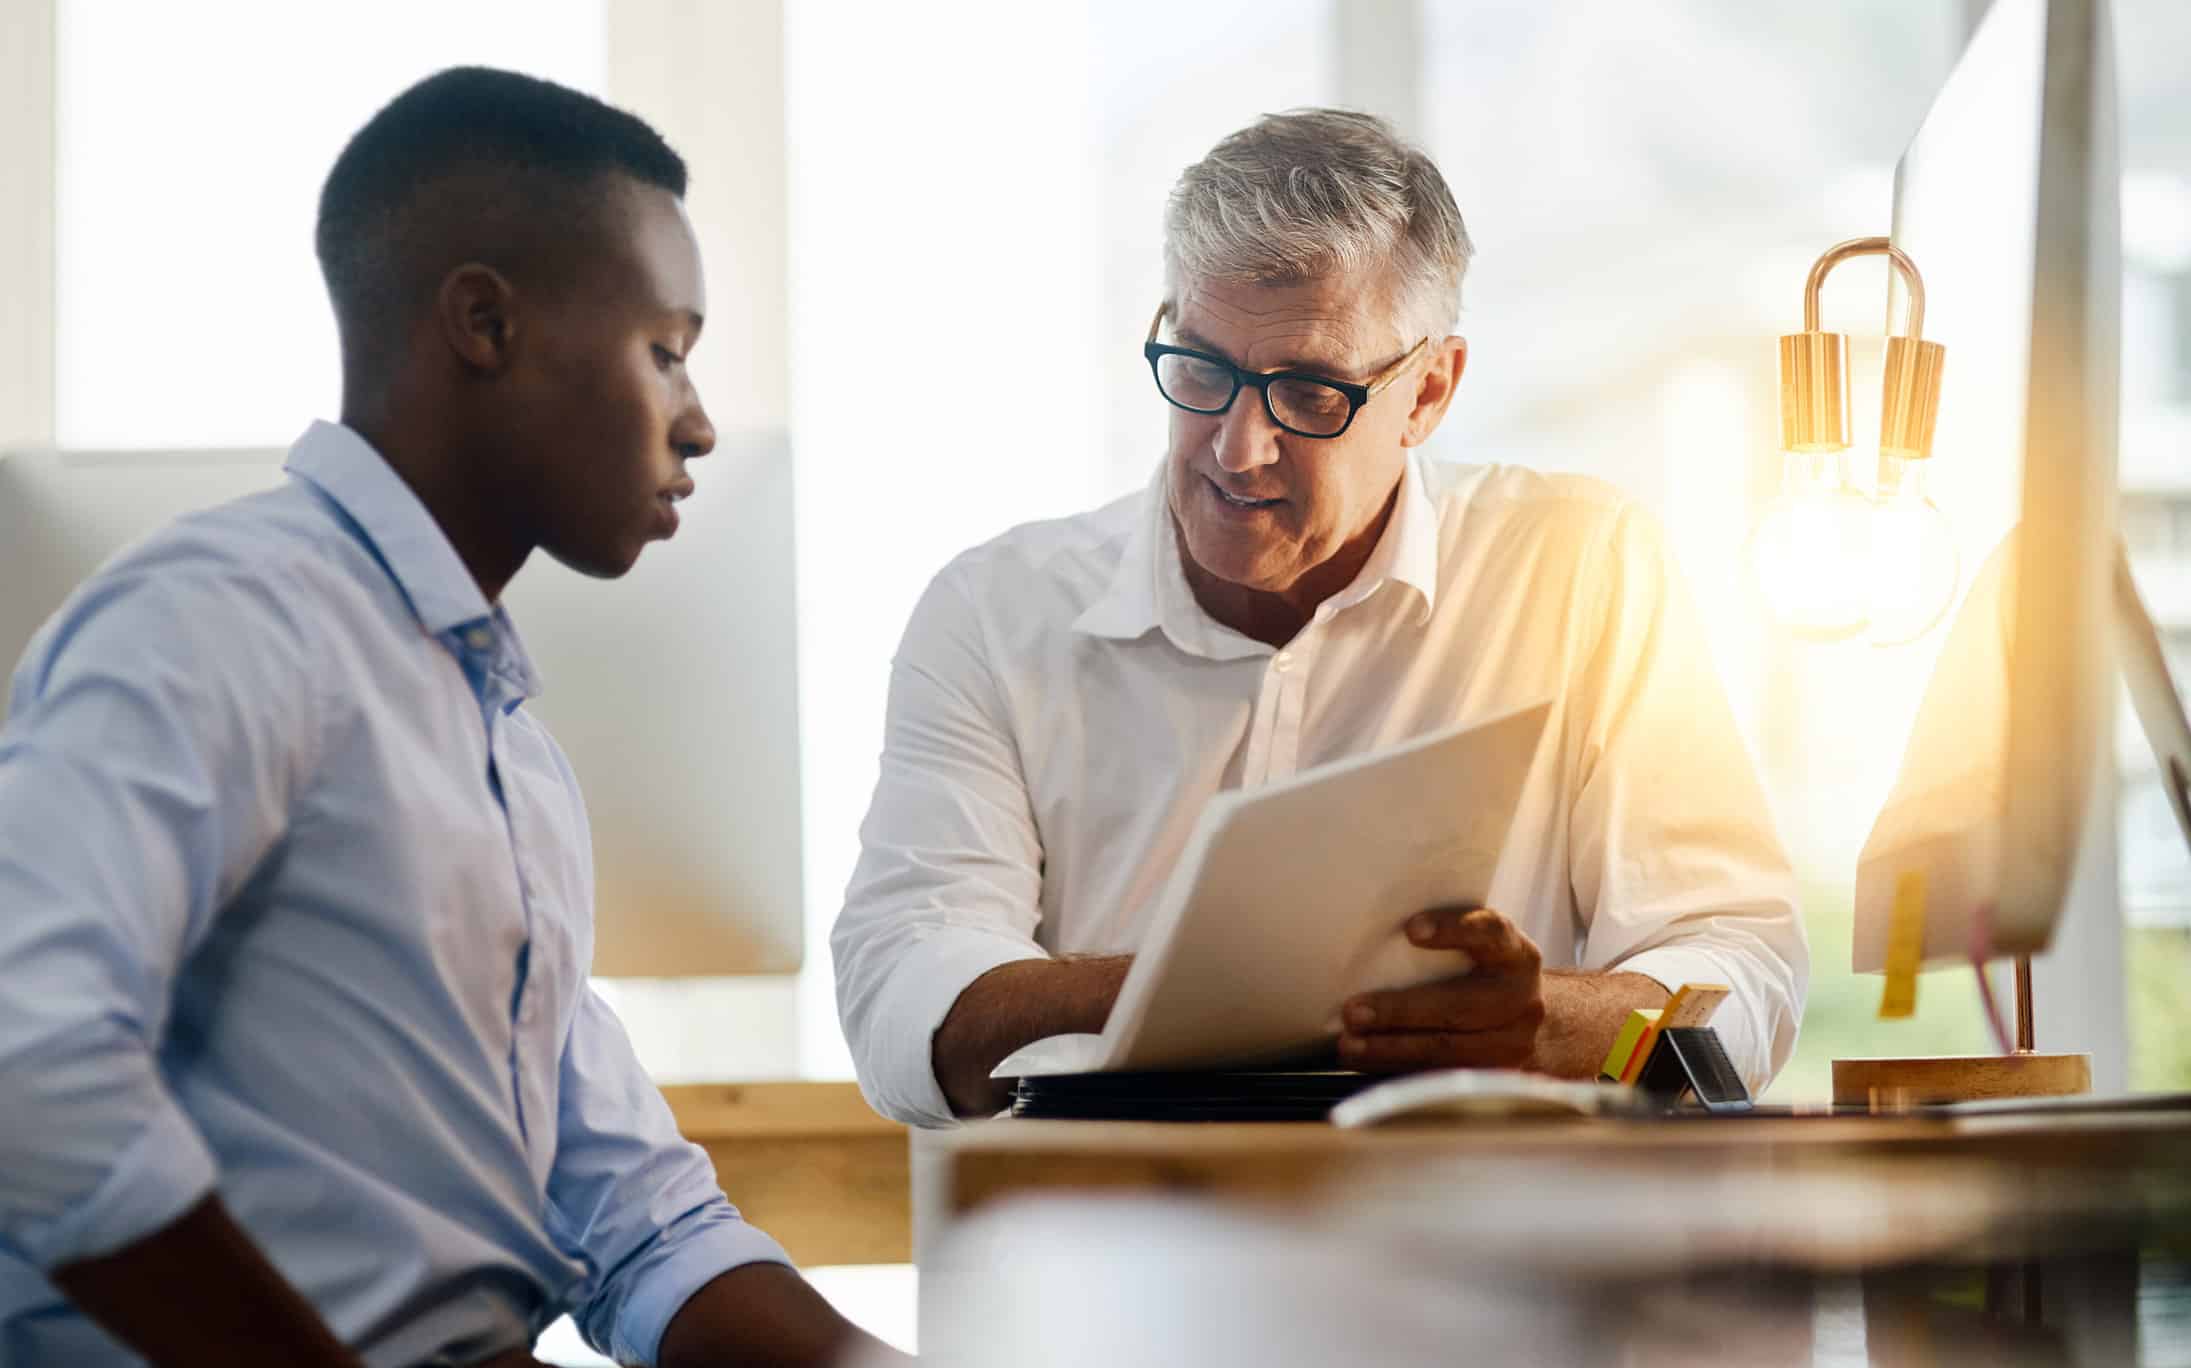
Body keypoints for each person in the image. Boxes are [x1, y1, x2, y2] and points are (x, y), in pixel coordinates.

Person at [0, 67, 891, 1367]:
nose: (695, 424)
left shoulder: (503, 749)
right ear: (483, 322)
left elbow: (636, 1225)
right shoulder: (223, 620)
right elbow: (30, 1060)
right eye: (665, 351)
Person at [832, 109, 1808, 1127]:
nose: (1236, 447)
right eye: (1203, 371)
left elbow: (1741, 960)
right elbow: (906, 1004)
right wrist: (1214, 994)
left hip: (1491, 1253)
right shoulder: (994, 611)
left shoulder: (1581, 568)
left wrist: (1563, 1024)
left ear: (1428, 391)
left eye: (1306, 390)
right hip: (1119, 1243)